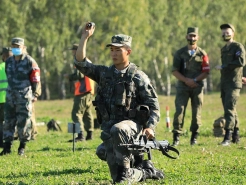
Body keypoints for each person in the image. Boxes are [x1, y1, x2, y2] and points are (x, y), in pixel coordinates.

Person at [74, 23, 164, 184]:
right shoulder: (104, 74)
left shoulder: (138, 76)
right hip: (110, 131)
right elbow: (81, 63)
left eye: (118, 50)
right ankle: (144, 171)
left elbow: (154, 105)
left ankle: (130, 169)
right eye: (112, 50)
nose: (114, 54)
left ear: (128, 52)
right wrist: (84, 37)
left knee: (119, 129)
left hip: (132, 128)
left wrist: (150, 127)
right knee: (104, 153)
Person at [0, 37, 41, 156]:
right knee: (8, 121)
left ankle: (22, 147)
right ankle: (7, 148)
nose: (16, 48)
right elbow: (8, 75)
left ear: (23, 48)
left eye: (18, 46)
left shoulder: (29, 61)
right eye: (14, 46)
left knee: (24, 122)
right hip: (10, 96)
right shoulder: (9, 61)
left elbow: (36, 79)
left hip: (24, 96)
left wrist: (35, 94)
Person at [171, 27, 210, 146]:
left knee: (196, 112)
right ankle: (176, 137)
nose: (192, 38)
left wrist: (194, 80)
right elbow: (174, 70)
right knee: (179, 111)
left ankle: (194, 138)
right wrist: (186, 80)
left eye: (194, 36)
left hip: (197, 87)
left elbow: (206, 71)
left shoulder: (202, 54)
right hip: (182, 87)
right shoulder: (180, 53)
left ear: (198, 38)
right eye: (190, 36)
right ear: (186, 37)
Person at [215, 23, 245, 146]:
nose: (225, 34)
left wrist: (224, 66)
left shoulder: (237, 47)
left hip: (234, 83)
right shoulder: (224, 49)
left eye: (227, 32)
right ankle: (236, 135)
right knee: (231, 109)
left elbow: (241, 61)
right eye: (223, 33)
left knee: (229, 109)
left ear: (233, 33)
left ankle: (227, 136)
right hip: (225, 83)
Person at [67, 44, 95, 142]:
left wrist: (69, 77)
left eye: (73, 50)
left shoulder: (79, 61)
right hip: (89, 91)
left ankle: (80, 135)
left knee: (76, 113)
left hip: (82, 91)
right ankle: (90, 134)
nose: (72, 52)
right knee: (87, 113)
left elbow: (79, 75)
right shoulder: (87, 60)